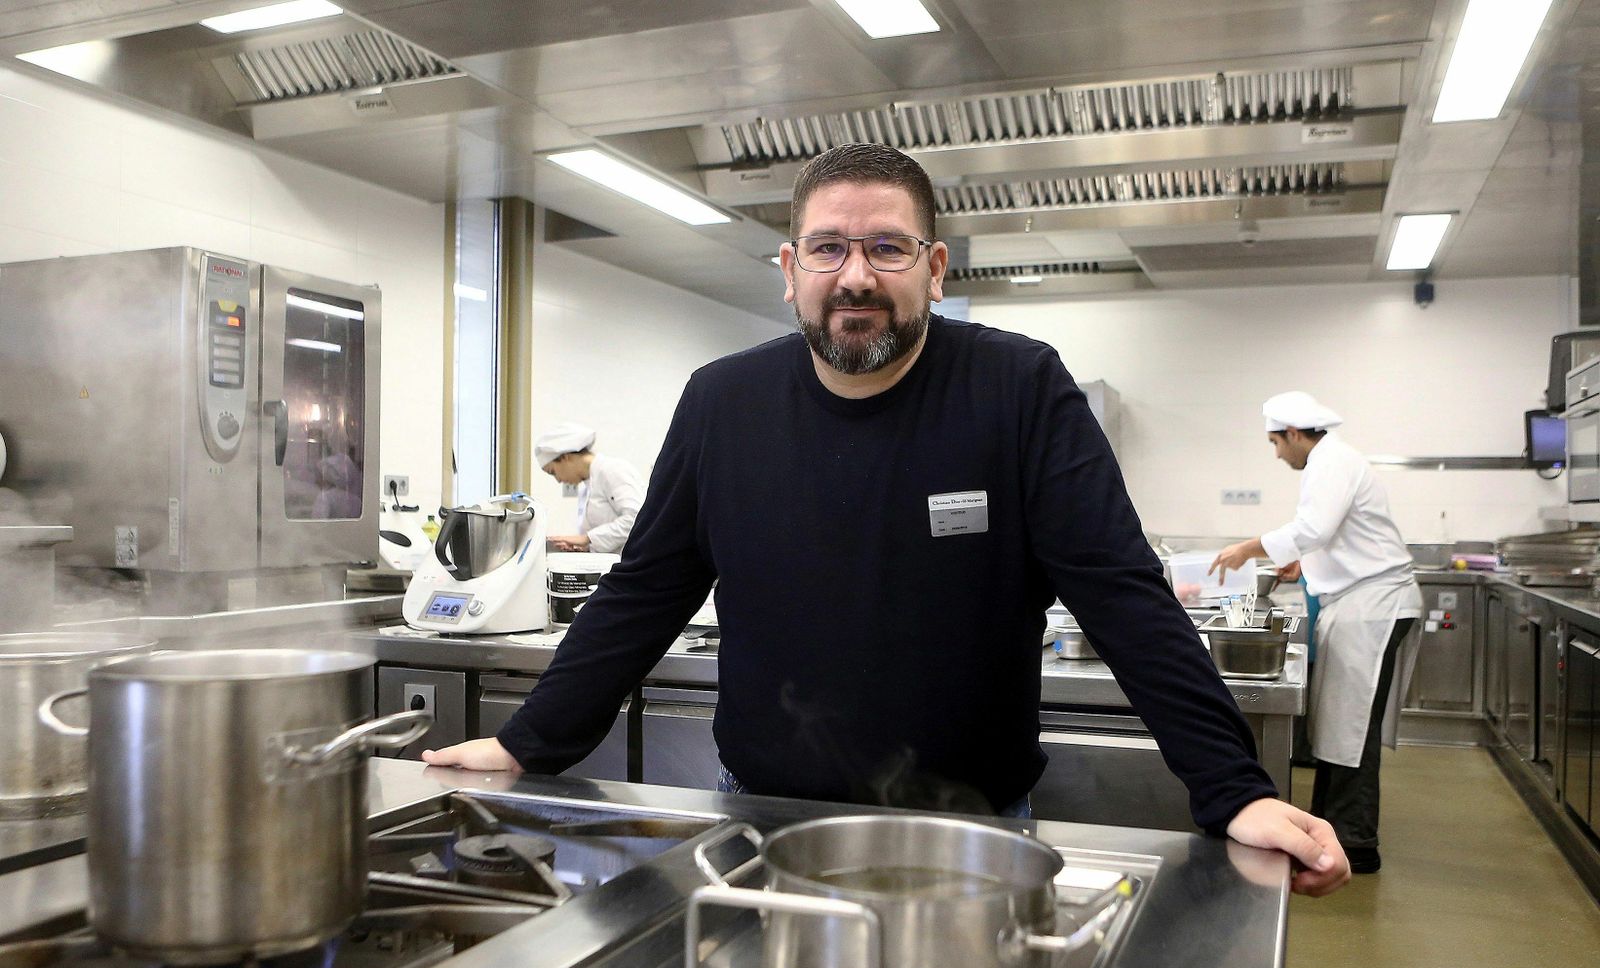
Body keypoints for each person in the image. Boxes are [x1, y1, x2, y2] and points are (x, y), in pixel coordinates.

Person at [426, 144, 1349, 897]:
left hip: (969, 831)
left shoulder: (1019, 389)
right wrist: (526, 741)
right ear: (789, 273)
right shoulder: (723, 402)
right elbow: (649, 588)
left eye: (887, 249)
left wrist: (1234, 791)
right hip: (760, 817)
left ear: (934, 268)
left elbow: (1124, 598)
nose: (854, 276)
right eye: (826, 249)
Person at [1210, 391, 1422, 874]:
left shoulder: (1332, 460)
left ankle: (1355, 842)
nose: (1278, 453)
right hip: (1359, 603)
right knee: (1341, 724)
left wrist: (1251, 547)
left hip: (1373, 605)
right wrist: (1301, 563)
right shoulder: (1332, 460)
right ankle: (1333, 826)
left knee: (1350, 728)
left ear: (1294, 433)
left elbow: (1316, 526)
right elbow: (1333, 533)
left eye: (1276, 442)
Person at [534, 423, 646, 553]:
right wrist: (585, 547)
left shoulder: (612, 470)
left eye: (553, 472)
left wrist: (587, 538)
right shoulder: (589, 484)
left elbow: (637, 519)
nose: (558, 480)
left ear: (565, 457)